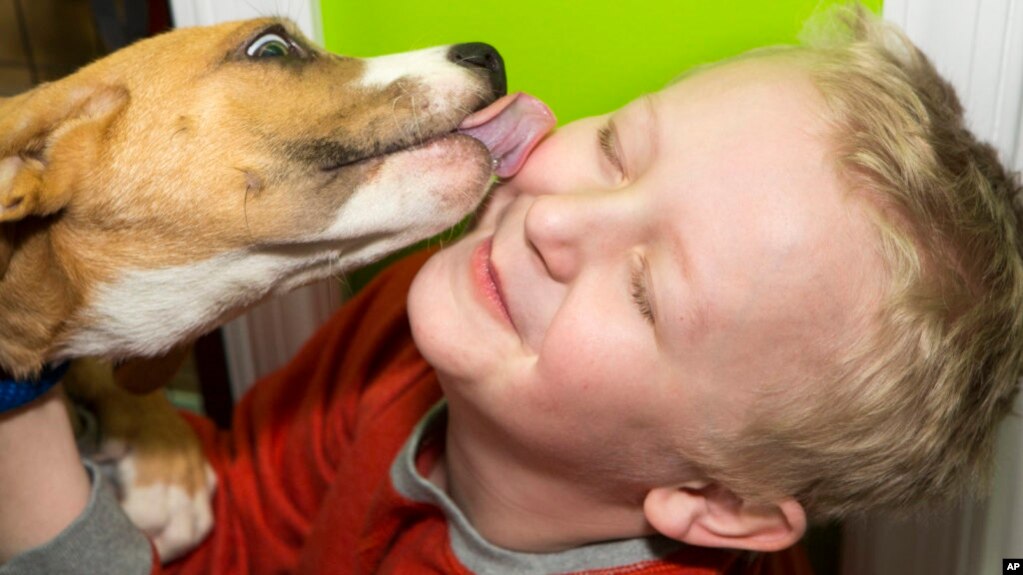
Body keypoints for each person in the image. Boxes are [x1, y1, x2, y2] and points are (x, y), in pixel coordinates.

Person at [2, 5, 1021, 574]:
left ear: (712, 502)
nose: (558, 220)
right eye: (620, 144)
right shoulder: (412, 335)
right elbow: (229, 544)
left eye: (649, 295)